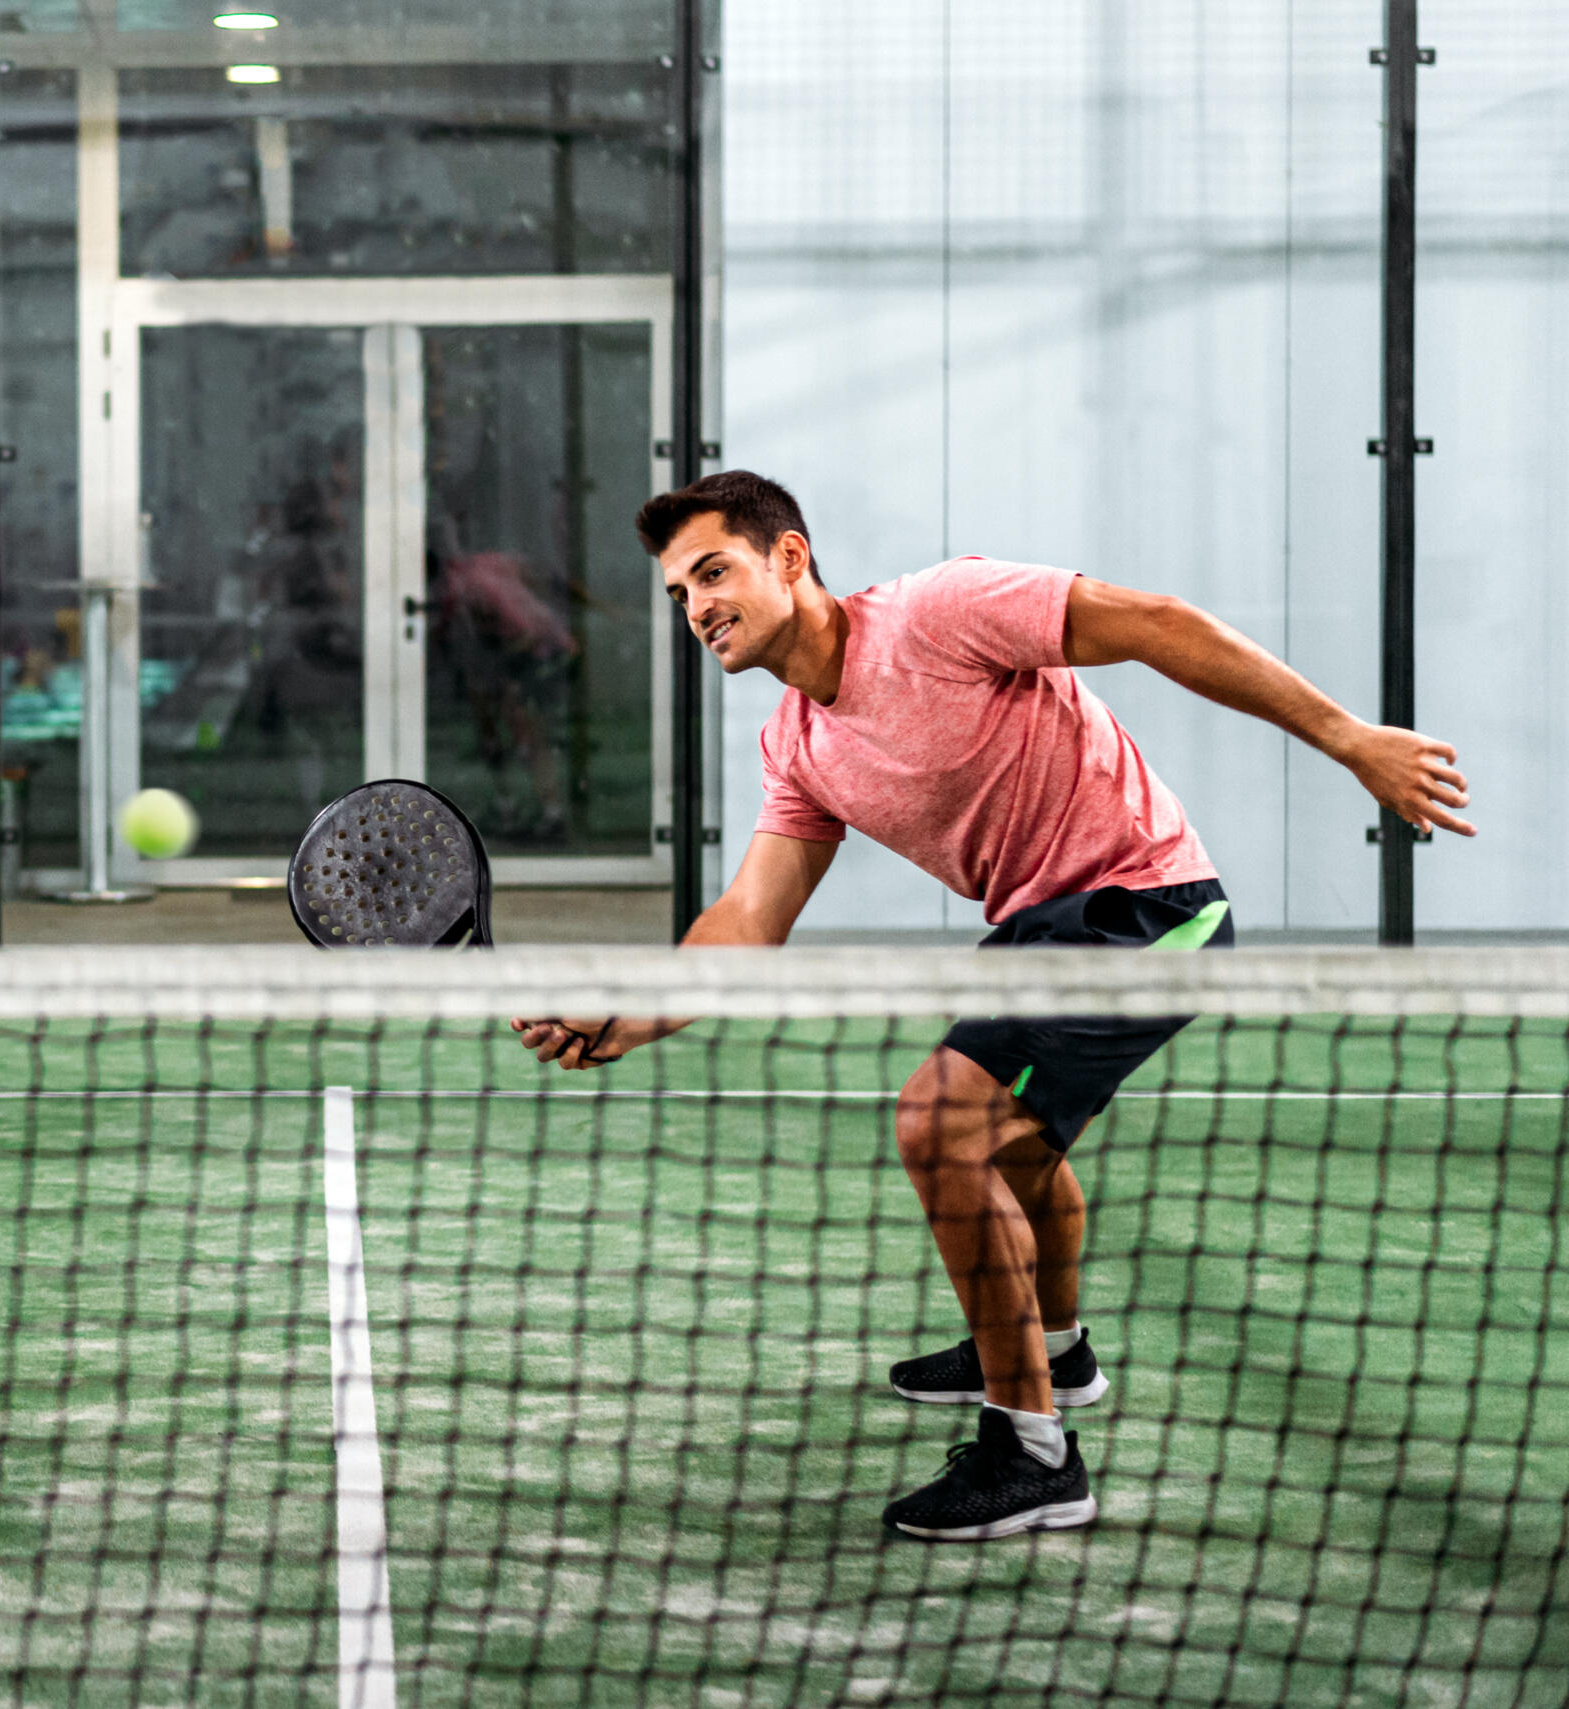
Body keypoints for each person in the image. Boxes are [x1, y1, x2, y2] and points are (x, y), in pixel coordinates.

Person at [511, 471, 1475, 1542]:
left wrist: (1349, 739)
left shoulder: (937, 612)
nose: (695, 606)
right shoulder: (797, 743)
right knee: (1015, 1147)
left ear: (789, 558)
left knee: (940, 1119)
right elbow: (747, 917)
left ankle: (1031, 1450)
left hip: (1145, 907)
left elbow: (1156, 623)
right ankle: (1053, 1348)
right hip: (1036, 932)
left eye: (712, 571)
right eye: (676, 592)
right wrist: (622, 1012)